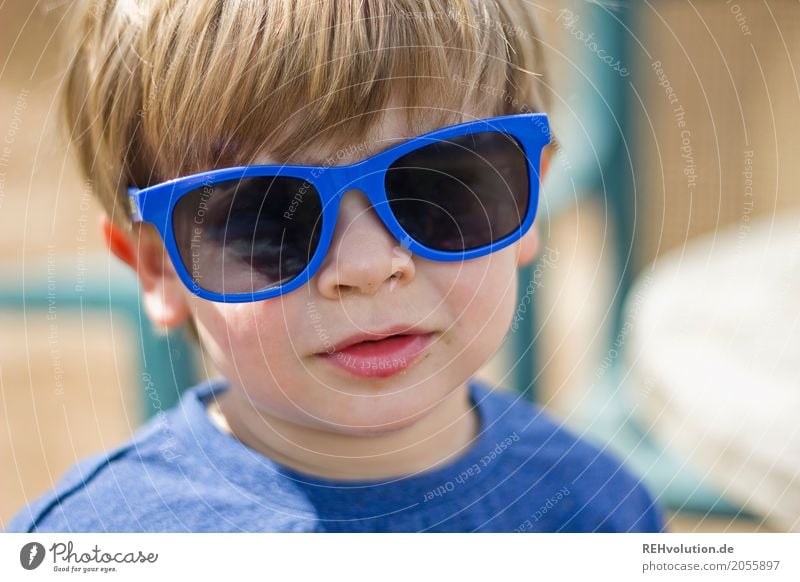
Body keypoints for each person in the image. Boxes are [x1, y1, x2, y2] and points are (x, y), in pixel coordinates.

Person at [6, 0, 662, 532]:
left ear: (529, 195)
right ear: (160, 271)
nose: (369, 266)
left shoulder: (598, 509)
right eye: (268, 218)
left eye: (437, 187)